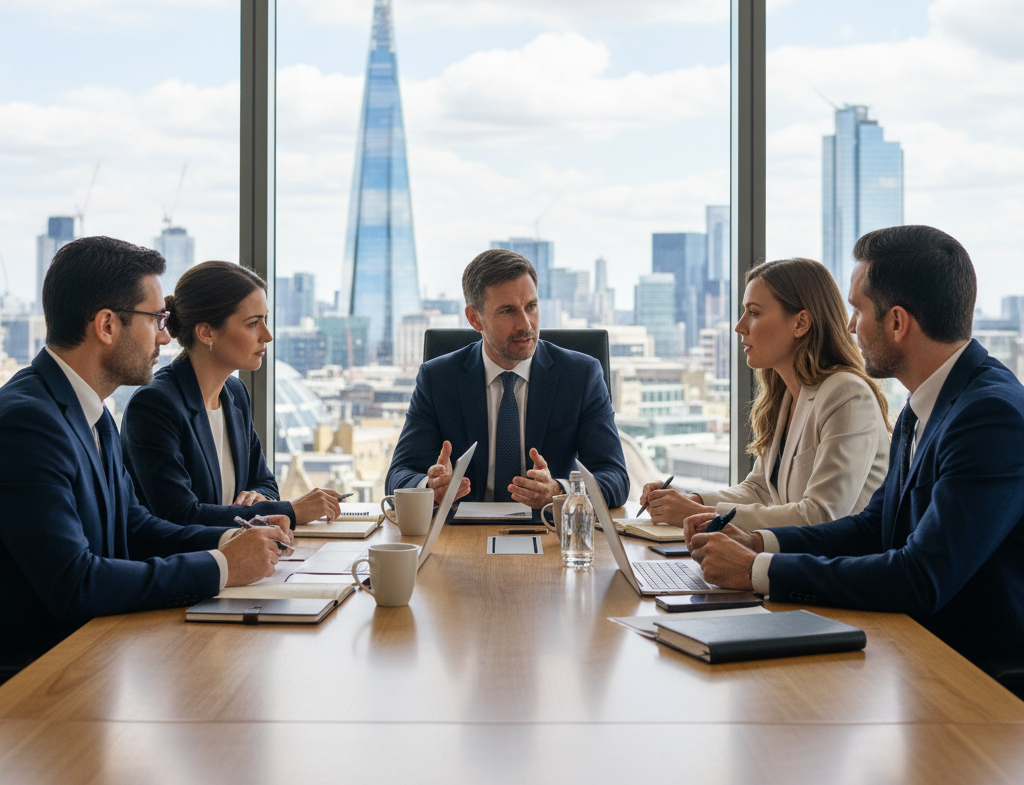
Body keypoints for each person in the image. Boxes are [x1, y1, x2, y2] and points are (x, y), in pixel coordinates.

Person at [686, 225, 1024, 670]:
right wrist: (757, 541)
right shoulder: (922, 405)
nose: (849, 325)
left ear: (897, 322)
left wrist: (757, 570)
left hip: (978, 674)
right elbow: (872, 529)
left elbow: (921, 576)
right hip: (915, 651)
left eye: (857, 309)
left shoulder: (989, 416)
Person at [0, 237, 291, 670]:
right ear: (106, 325)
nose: (165, 335)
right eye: (156, 318)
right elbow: (75, 583)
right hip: (42, 677)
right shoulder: (27, 422)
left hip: (100, 654)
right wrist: (222, 566)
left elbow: (134, 527)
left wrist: (229, 539)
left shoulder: (92, 411)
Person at [640, 258, 890, 530]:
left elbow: (822, 515)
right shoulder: (784, 396)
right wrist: (690, 500)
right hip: (794, 554)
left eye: (754, 313)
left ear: (800, 323)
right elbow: (758, 489)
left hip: (841, 557)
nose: (740, 326)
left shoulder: (847, 394)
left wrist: (702, 513)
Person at [386, 249, 629, 509]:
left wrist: (560, 491)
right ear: (474, 318)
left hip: (548, 528)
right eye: (507, 311)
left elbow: (615, 477)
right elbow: (399, 475)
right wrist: (429, 488)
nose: (526, 325)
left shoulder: (581, 375)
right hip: (465, 530)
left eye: (531, 307)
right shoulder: (437, 379)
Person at [121, 260, 344, 528]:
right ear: (207, 332)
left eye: (265, 320)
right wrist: (292, 511)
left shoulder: (235, 393)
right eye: (253, 323)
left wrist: (259, 497)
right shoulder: (155, 405)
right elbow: (181, 516)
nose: (267, 335)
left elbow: (264, 481)